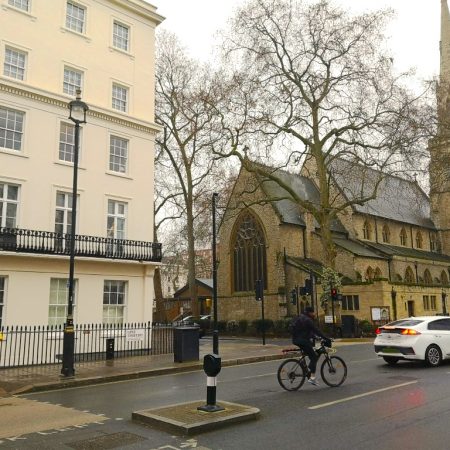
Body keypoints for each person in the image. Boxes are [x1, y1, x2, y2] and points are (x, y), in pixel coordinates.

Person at [291, 306, 330, 386]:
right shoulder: (308, 320)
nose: (314, 314)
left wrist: (316, 337)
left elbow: (308, 331)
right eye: (313, 312)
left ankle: (309, 367)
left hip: (296, 339)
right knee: (314, 357)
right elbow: (316, 330)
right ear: (310, 312)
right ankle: (312, 378)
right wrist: (326, 338)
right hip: (303, 341)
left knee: (311, 353)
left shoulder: (301, 317)